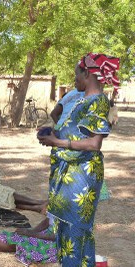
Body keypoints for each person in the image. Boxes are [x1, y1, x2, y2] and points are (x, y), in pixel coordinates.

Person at [38, 52, 119, 266]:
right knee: (66, 232)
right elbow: (73, 132)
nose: (74, 80)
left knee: (76, 232)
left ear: (88, 74)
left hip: (82, 176)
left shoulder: (98, 101)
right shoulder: (83, 100)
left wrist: (58, 143)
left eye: (76, 75)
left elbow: (94, 143)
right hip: (70, 174)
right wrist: (53, 134)